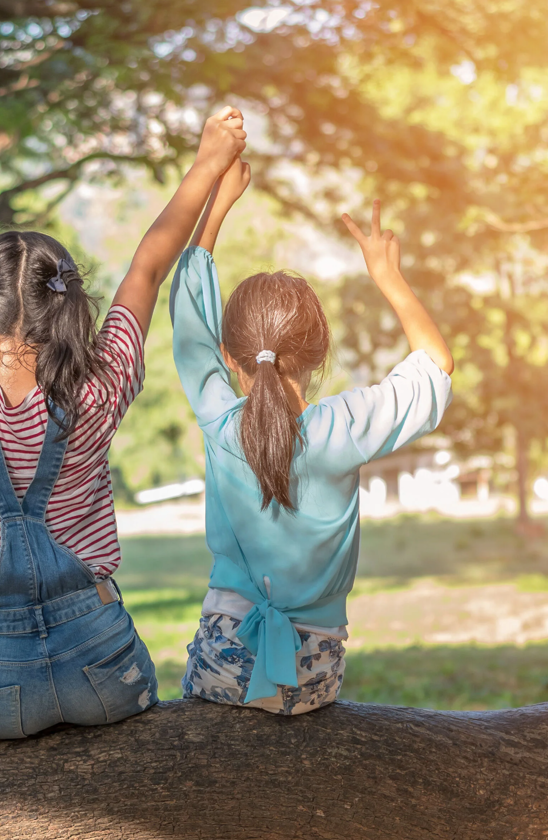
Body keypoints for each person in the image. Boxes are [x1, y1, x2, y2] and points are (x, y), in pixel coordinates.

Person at [0, 87, 248, 738]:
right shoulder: (99, 385)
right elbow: (147, 268)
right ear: (68, 303)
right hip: (102, 667)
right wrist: (209, 160)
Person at [172, 162, 455, 714]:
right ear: (318, 357)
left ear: (230, 358)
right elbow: (436, 367)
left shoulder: (219, 421)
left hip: (223, 662)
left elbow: (189, 328)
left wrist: (215, 211)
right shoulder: (345, 427)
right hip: (315, 676)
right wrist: (388, 277)